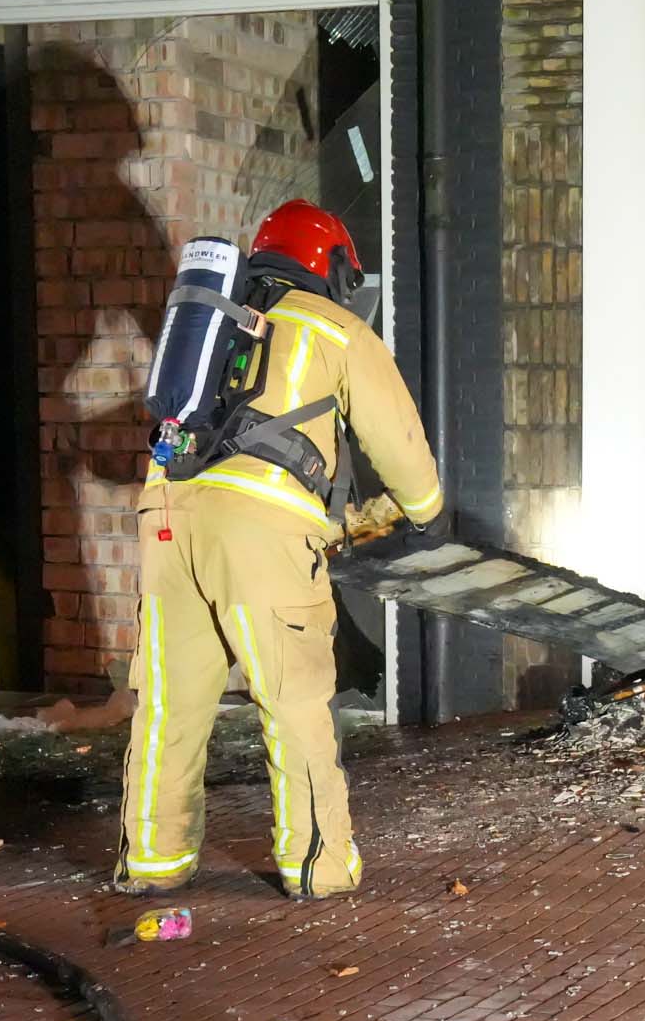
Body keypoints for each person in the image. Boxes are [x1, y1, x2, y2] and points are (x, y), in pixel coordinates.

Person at [115, 200, 443, 900]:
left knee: (169, 706)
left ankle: (153, 861)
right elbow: (398, 439)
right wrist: (426, 515)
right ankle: (318, 869)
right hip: (259, 531)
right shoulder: (333, 326)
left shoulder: (220, 319)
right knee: (293, 702)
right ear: (331, 265)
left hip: (166, 515)